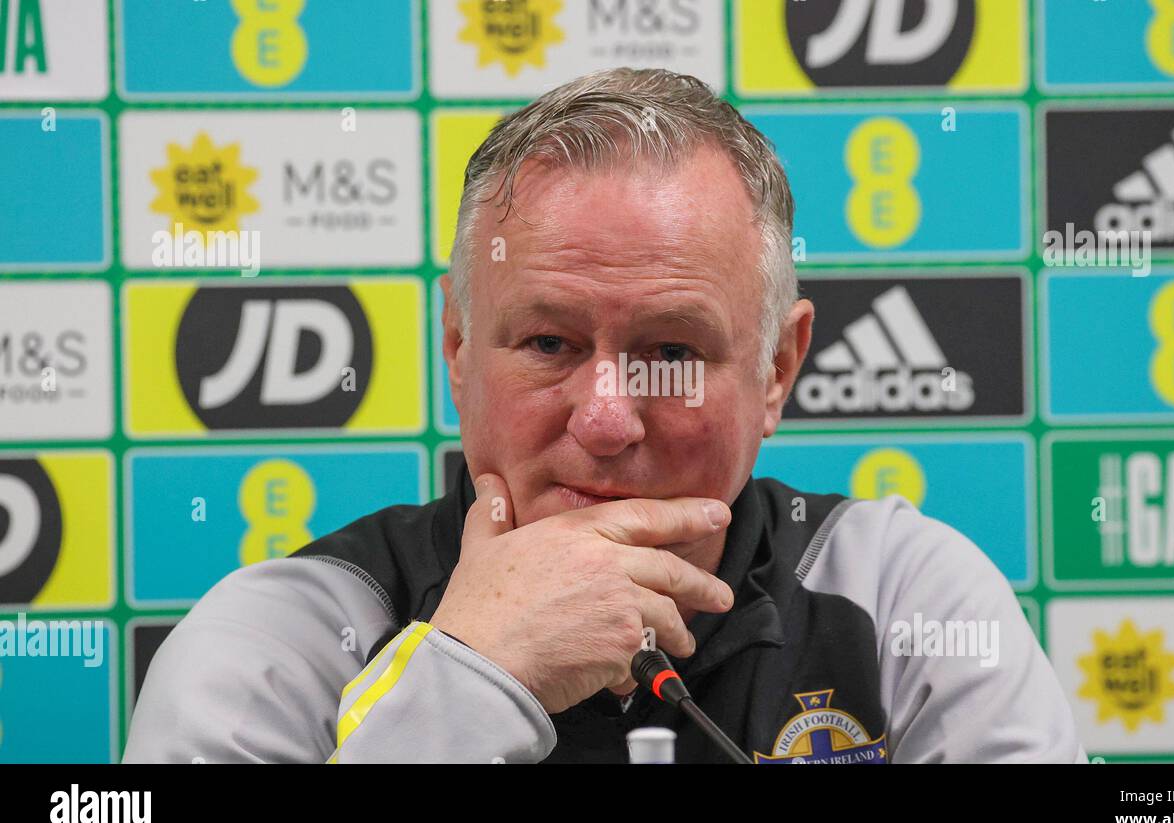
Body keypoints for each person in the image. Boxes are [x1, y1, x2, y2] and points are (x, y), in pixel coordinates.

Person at [125, 68, 1086, 764]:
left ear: (777, 369)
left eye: (672, 352)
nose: (609, 418)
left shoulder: (902, 601)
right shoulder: (279, 646)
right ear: (458, 352)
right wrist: (468, 680)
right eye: (548, 344)